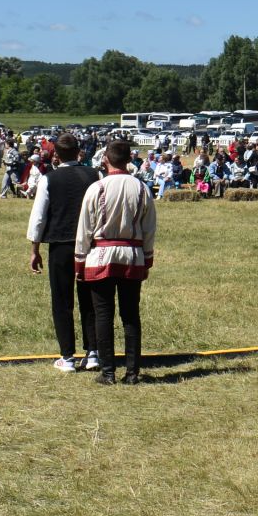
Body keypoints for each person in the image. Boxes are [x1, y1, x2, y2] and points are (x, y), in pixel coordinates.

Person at [73, 140, 157, 385]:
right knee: (131, 315)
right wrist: (147, 257)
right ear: (129, 159)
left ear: (106, 160)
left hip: (101, 254)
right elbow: (149, 228)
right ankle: (132, 372)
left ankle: (108, 372)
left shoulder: (96, 188)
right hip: (132, 254)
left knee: (103, 314)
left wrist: (79, 261)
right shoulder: (142, 188)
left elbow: (84, 230)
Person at [26, 133, 100, 372]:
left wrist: (34, 250)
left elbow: (38, 218)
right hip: (90, 245)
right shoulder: (96, 175)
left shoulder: (49, 179)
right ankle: (93, 353)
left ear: (56, 155)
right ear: (80, 152)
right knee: (90, 299)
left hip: (60, 245)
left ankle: (67, 356)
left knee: (62, 301)